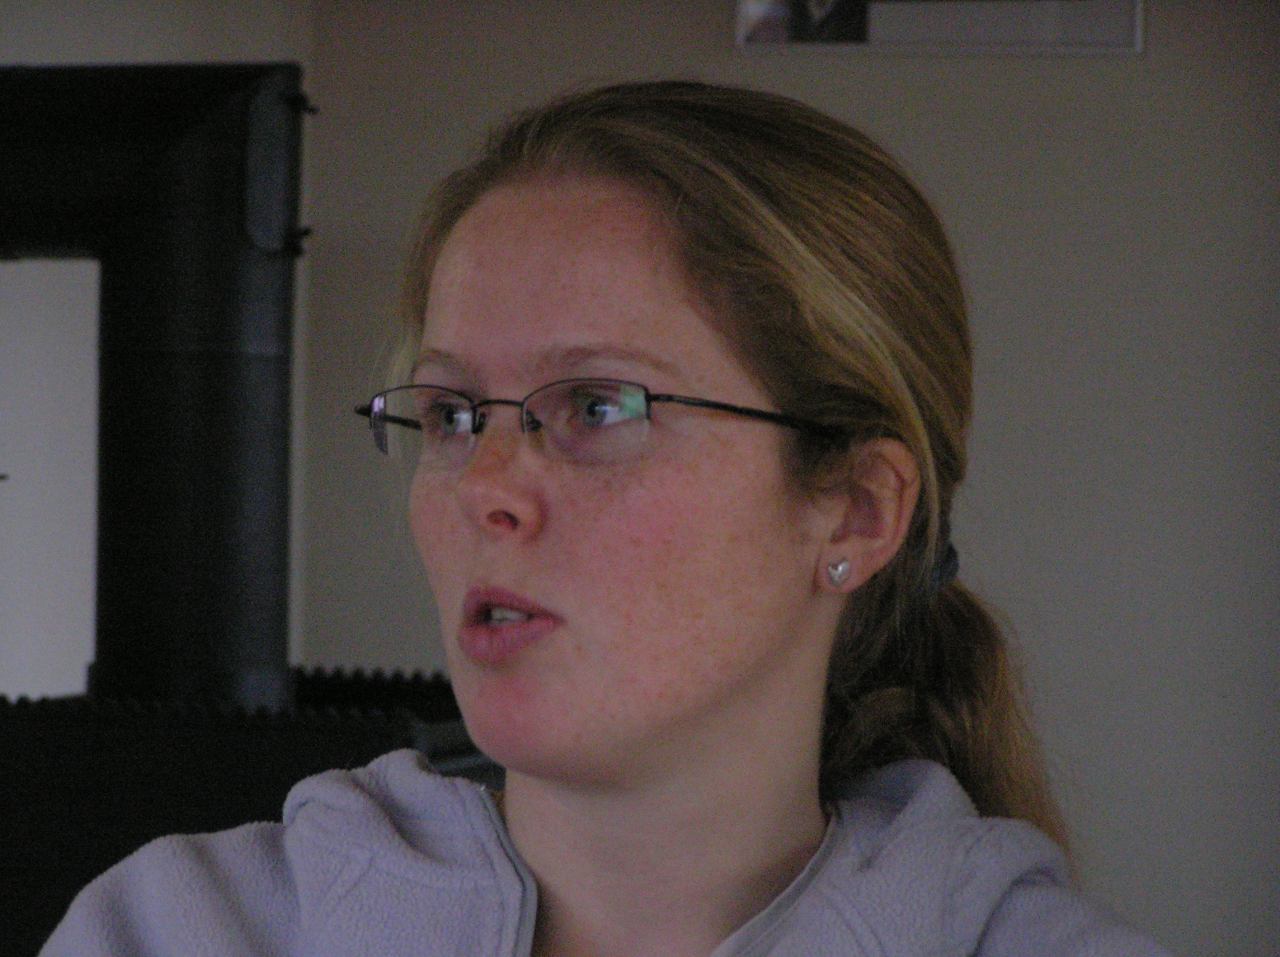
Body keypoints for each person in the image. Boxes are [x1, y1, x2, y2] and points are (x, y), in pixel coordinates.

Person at [42, 81, 1171, 956]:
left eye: (596, 407)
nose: (483, 485)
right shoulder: (178, 930)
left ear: (855, 513)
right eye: (451, 414)